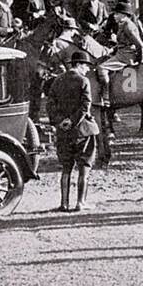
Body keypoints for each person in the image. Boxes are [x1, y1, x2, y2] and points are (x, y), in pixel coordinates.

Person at [48, 52, 98, 212]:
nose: (87, 70)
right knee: (84, 167)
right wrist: (73, 120)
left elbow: (50, 104)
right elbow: (85, 105)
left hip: (63, 132)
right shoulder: (83, 81)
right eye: (86, 66)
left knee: (66, 168)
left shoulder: (58, 80)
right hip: (82, 131)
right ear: (79, 65)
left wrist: (60, 121)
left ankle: (63, 203)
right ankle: (80, 203)